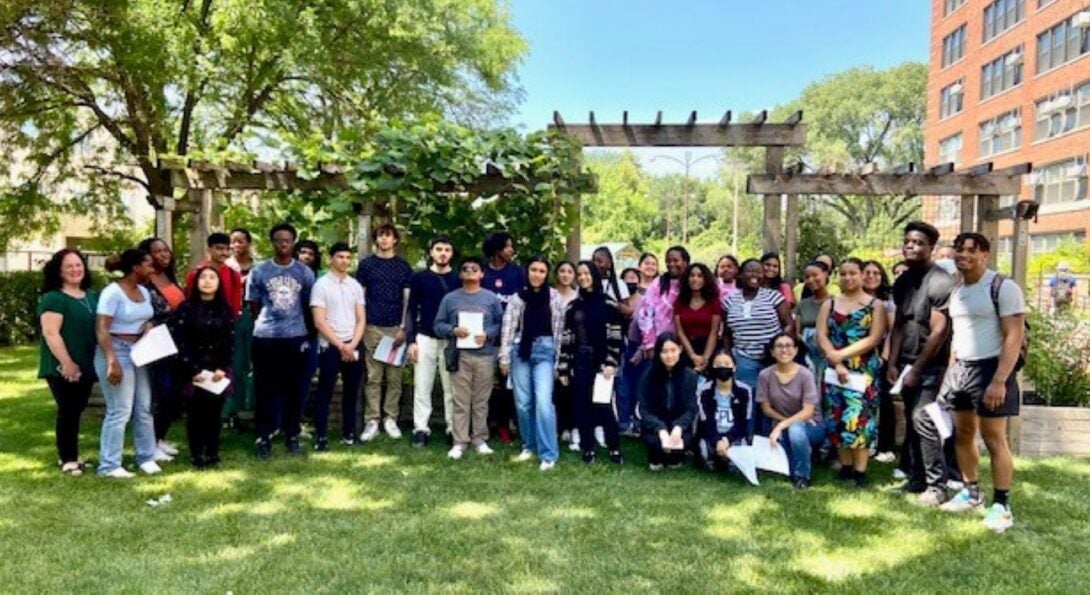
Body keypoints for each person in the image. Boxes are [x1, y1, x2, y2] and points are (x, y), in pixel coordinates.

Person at [931, 233, 1025, 533]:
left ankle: (1002, 505)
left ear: (985, 254)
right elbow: (957, 335)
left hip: (991, 369)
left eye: (972, 251)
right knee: (963, 433)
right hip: (961, 370)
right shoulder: (958, 290)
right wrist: (951, 372)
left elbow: (1014, 335)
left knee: (994, 438)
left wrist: (1000, 380)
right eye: (959, 250)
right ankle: (971, 492)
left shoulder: (1003, 287)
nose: (964, 255)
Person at [888, 221, 960, 497]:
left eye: (918, 243)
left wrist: (917, 368)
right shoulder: (903, 281)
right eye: (908, 241)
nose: (911, 246)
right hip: (905, 363)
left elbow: (940, 330)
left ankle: (937, 486)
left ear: (932, 248)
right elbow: (898, 325)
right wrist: (893, 363)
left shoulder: (941, 281)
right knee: (911, 418)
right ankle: (916, 480)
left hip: (931, 366)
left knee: (924, 419)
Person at [816, 258, 887, 488]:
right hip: (834, 369)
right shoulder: (830, 303)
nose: (848, 278)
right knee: (836, 416)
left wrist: (842, 355)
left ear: (861, 275)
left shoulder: (875, 305)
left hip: (863, 369)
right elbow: (821, 334)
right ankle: (845, 467)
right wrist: (835, 361)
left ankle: (860, 471)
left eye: (853, 273)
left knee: (860, 419)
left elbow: (874, 338)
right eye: (844, 274)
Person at [248, 223, 315, 458]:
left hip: (296, 337)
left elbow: (308, 304)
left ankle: (292, 435)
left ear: (294, 242)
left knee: (294, 389)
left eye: (288, 240)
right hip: (266, 338)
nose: (283, 244)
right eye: (279, 240)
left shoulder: (305, 273)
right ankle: (263, 436)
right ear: (272, 242)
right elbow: (254, 304)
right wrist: (269, 324)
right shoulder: (259, 271)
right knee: (266, 389)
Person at [94, 249, 159, 478]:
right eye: (149, 265)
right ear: (135, 267)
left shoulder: (144, 291)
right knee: (120, 410)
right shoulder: (112, 293)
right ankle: (109, 465)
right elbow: (101, 328)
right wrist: (112, 361)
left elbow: (146, 316)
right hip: (115, 351)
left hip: (139, 351)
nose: (153, 269)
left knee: (144, 407)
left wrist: (149, 326)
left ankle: (146, 457)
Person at [434, 257, 503, 460]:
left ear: (482, 274)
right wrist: (453, 330)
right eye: (466, 269)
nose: (470, 271)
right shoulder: (450, 299)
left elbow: (500, 324)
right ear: (461, 274)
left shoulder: (491, 299)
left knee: (481, 401)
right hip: (460, 355)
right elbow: (438, 325)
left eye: (475, 268)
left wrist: (488, 334)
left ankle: (480, 439)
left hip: (485, 356)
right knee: (461, 401)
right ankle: (459, 442)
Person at [499, 257, 564, 471]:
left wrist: (557, 363)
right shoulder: (518, 298)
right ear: (527, 272)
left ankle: (548, 454)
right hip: (520, 351)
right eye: (533, 270)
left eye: (542, 271)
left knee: (544, 402)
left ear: (547, 274)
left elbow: (559, 332)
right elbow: (508, 328)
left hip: (545, 351)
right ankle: (529, 445)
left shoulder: (554, 297)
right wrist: (504, 357)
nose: (537, 274)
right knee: (523, 403)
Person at [38, 249, 98, 476]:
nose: (75, 270)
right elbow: (51, 333)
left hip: (87, 363)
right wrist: (67, 363)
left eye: (79, 265)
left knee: (77, 408)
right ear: (59, 271)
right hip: (61, 366)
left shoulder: (91, 296)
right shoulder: (54, 298)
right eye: (69, 266)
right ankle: (68, 459)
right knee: (68, 410)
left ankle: (71, 454)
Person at [169, 266, 235, 469]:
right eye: (203, 277)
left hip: (217, 371)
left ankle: (212, 452)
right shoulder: (185, 309)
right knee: (196, 413)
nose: (207, 281)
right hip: (192, 369)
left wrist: (222, 367)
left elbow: (229, 340)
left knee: (214, 413)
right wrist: (193, 370)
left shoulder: (225, 309)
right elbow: (179, 341)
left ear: (219, 283)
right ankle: (197, 454)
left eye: (212, 277)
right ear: (196, 282)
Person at [559, 261, 624, 464]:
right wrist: (563, 367)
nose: (583, 277)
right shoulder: (573, 306)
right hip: (580, 360)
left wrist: (611, 362)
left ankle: (614, 448)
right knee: (582, 406)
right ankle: (588, 448)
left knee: (603, 406)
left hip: (603, 362)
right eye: (580, 274)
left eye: (587, 273)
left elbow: (616, 336)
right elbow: (567, 338)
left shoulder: (609, 304)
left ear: (594, 275)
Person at [356, 224, 412, 442]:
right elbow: (360, 297)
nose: (384, 239)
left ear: (395, 240)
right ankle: (372, 420)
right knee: (373, 377)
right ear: (376, 239)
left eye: (388, 236)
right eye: (381, 235)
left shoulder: (403, 267)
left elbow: (407, 299)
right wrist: (361, 325)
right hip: (372, 326)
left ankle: (391, 419)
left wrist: (403, 327)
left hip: (395, 328)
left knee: (395, 377)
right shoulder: (366, 265)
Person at [310, 242, 366, 451]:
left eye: (348, 258)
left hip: (353, 343)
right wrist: (341, 345)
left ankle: (349, 434)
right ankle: (321, 436)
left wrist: (352, 344)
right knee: (325, 390)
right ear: (331, 259)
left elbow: (361, 319)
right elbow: (319, 322)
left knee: (352, 392)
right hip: (330, 346)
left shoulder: (355, 286)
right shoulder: (321, 285)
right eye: (340, 257)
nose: (344, 261)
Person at [406, 236, 460, 447]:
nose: (443, 253)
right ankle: (421, 429)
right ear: (431, 252)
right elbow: (411, 310)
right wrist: (411, 340)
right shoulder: (419, 278)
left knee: (451, 387)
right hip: (425, 338)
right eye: (439, 249)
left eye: (447, 249)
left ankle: (452, 428)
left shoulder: (458, 279)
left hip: (450, 339)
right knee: (422, 386)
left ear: (452, 254)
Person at [136, 237, 185, 462]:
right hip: (156, 344)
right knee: (161, 394)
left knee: (173, 394)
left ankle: (160, 439)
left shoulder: (168, 277)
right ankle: (151, 443)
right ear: (147, 255)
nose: (164, 255)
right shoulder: (144, 281)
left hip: (176, 343)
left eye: (166, 250)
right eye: (158, 251)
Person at [757, 333, 824, 490]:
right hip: (783, 422)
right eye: (779, 346)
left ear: (795, 350)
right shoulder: (764, 375)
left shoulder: (805, 374)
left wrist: (782, 425)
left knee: (795, 431)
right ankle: (800, 461)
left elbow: (808, 412)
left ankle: (802, 476)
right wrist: (783, 423)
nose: (784, 350)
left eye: (788, 346)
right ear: (772, 352)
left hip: (812, 425)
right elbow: (766, 408)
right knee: (790, 434)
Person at [722, 259, 794, 393]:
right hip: (744, 360)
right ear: (740, 274)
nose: (755, 275)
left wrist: (779, 347)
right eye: (750, 271)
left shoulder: (774, 297)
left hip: (773, 359)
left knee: (774, 398)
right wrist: (727, 354)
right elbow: (727, 333)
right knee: (748, 399)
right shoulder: (729, 302)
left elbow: (789, 324)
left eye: (759, 272)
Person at [482, 231, 524, 444]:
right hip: (485, 339)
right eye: (507, 246)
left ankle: (505, 424)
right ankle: (487, 423)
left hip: (510, 338)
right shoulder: (483, 273)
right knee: (487, 385)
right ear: (497, 250)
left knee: (507, 384)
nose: (511, 250)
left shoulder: (518, 273)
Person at [637, 333, 699, 470]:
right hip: (656, 426)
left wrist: (678, 427)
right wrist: (661, 429)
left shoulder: (689, 375)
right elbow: (644, 409)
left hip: (678, 426)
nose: (669, 356)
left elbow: (691, 408)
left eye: (673, 350)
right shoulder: (648, 375)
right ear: (658, 353)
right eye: (664, 351)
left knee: (678, 451)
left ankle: (676, 456)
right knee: (656, 448)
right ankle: (657, 455)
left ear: (680, 349)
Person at [863, 260, 897, 464]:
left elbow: (893, 331)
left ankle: (885, 445)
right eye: (867, 272)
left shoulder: (887, 302)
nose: (871, 276)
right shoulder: (853, 299)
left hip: (880, 354)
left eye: (876, 273)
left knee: (883, 400)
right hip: (859, 356)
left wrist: (885, 355)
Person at [696, 352, 754, 473]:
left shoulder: (744, 391)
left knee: (735, 465)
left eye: (727, 364)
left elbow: (742, 422)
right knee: (705, 455)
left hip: (735, 436)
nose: (723, 367)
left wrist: (727, 440)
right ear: (712, 367)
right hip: (711, 435)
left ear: (734, 367)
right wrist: (717, 440)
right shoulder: (704, 391)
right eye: (718, 364)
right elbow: (706, 421)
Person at [224, 227, 257, 429]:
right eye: (233, 242)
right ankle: (229, 411)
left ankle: (252, 408)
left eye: (240, 241)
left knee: (253, 364)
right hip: (231, 317)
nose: (236, 246)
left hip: (253, 315)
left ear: (248, 243)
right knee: (233, 364)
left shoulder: (259, 266)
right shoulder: (225, 267)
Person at [638, 246, 690, 360]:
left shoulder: (693, 283)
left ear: (686, 262)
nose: (671, 264)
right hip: (662, 345)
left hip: (689, 345)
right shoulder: (658, 284)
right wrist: (649, 344)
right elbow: (645, 315)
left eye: (676, 260)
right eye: (668, 261)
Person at [672, 263, 723, 374]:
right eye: (692, 275)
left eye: (700, 276)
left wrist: (705, 358)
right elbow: (680, 332)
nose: (695, 279)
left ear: (706, 279)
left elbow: (714, 332)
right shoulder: (680, 302)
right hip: (687, 348)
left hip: (709, 347)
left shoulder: (713, 302)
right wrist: (693, 356)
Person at [294, 239, 323, 431]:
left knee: (305, 380)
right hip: (287, 336)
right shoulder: (287, 276)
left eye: (310, 254)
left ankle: (296, 421)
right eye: (302, 252)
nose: (306, 256)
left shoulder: (321, 280)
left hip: (312, 336)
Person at [553, 260, 580, 449]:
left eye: (569, 271)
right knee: (553, 391)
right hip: (551, 345)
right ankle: (556, 426)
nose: (565, 274)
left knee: (570, 390)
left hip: (572, 348)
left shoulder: (579, 297)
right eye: (562, 271)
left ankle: (570, 427)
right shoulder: (550, 295)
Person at [795, 261, 832, 390]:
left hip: (829, 355)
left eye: (815, 275)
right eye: (807, 277)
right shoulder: (803, 304)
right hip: (808, 356)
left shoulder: (836, 302)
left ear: (825, 274)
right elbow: (797, 331)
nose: (811, 280)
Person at [618, 267, 646, 437]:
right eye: (627, 278)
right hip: (620, 346)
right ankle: (622, 422)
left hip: (639, 347)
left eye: (634, 277)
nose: (630, 281)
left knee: (639, 386)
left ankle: (637, 422)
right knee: (622, 387)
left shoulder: (645, 300)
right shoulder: (617, 300)